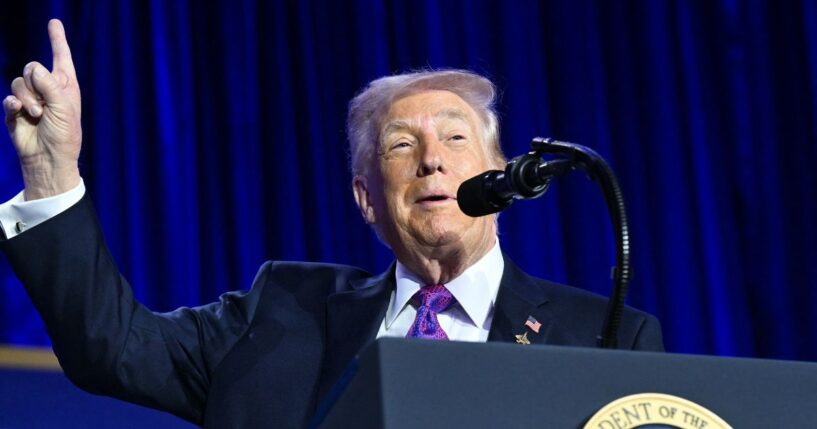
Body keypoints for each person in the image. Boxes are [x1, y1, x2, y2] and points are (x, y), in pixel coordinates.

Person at [1, 20, 663, 428]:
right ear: (366, 197)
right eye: (401, 146)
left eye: (455, 138)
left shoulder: (605, 337)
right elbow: (111, 346)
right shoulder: (279, 313)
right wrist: (52, 172)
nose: (431, 159)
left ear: (500, 176)